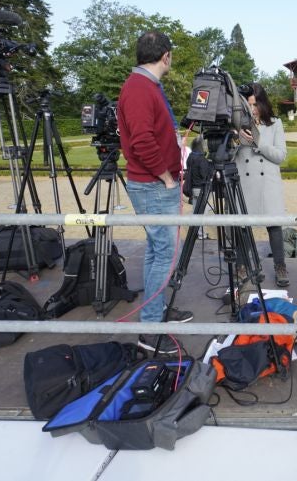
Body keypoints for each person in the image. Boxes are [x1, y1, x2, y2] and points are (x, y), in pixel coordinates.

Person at [117, 30, 193, 355]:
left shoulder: (145, 86)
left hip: (153, 184)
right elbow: (142, 142)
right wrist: (167, 178)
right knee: (164, 254)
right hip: (153, 185)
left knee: (155, 252)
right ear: (166, 56)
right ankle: (150, 329)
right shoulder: (139, 88)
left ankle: (156, 312)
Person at [236, 82, 290, 287]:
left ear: (263, 104)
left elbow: (280, 156)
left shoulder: (275, 124)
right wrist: (236, 139)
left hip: (268, 184)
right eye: (248, 104)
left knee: (275, 227)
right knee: (242, 227)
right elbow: (230, 157)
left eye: (255, 104)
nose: (252, 109)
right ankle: (241, 267)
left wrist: (259, 143)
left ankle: (280, 266)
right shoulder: (238, 123)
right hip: (245, 183)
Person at [184, 136, 211, 240]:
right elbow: (204, 174)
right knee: (203, 212)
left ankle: (196, 233)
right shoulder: (201, 159)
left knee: (196, 211)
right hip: (201, 188)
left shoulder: (191, 157)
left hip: (193, 188)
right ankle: (201, 234)